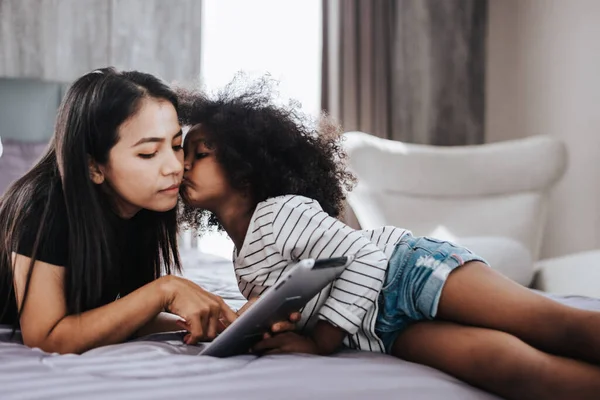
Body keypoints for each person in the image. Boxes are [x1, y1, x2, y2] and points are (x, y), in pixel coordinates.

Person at [176, 77, 600, 400]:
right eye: (185, 155)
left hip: (406, 270)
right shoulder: (242, 255)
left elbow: (360, 258)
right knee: (509, 369)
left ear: (244, 166)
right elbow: (301, 293)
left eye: (201, 153)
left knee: (555, 323)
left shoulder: (277, 213)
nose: (185, 166)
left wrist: (320, 340)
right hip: (378, 328)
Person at [0, 67, 247, 355]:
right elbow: (46, 336)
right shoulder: (42, 208)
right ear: (94, 166)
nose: (175, 166)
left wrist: (210, 321)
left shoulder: (140, 206)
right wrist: (165, 291)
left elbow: (120, 314)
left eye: (176, 145)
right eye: (148, 153)